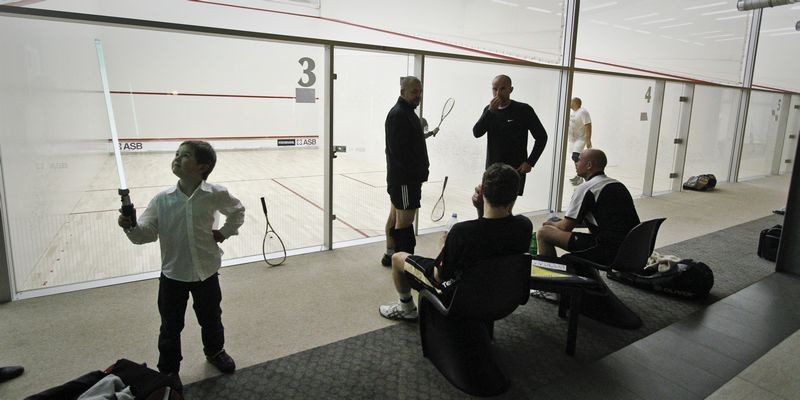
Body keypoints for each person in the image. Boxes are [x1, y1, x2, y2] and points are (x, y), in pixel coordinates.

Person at [118, 140, 245, 384]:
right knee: (170, 325)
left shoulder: (216, 194)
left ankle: (215, 352)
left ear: (202, 167)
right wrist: (131, 226)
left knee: (211, 318)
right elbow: (144, 235)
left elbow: (237, 211)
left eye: (185, 155)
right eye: (176, 153)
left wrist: (224, 232)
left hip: (207, 272)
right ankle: (168, 369)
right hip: (172, 276)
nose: (176, 158)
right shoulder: (161, 200)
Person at [379, 163, 532, 320]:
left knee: (397, 258)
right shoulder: (524, 226)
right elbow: (493, 235)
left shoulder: (462, 232)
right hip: (502, 299)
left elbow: (439, 277)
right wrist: (480, 209)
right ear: (515, 196)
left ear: (483, 192)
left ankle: (406, 308)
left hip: (461, 302)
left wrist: (444, 247)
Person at [536, 148, 639, 265]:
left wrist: (553, 223)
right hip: (632, 248)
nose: (575, 163)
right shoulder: (617, 185)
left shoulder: (586, 188)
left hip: (609, 250)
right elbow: (607, 220)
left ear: (589, 165)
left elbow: (565, 227)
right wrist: (566, 222)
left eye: (578, 160)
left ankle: (550, 272)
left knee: (544, 233)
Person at [381, 76, 439, 267]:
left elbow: (411, 143)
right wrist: (416, 175)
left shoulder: (406, 112)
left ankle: (389, 255)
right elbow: (401, 153)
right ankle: (403, 265)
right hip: (405, 181)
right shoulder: (399, 115)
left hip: (402, 180)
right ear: (402, 92)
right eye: (414, 91)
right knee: (405, 224)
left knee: (394, 217)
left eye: (420, 91)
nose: (418, 95)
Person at [472, 74, 548, 196]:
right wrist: (490, 112)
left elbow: (542, 137)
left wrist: (530, 162)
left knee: (508, 203)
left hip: (515, 169)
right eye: (495, 89)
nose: (498, 93)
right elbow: (477, 133)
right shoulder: (489, 110)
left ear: (510, 89)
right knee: (489, 202)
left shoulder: (524, 110)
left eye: (502, 89)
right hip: (492, 169)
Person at [567, 97, 592, 186]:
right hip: (573, 140)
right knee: (575, 157)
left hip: (580, 139)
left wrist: (588, 139)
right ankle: (579, 175)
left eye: (571, 101)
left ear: (576, 103)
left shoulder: (583, 112)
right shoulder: (573, 113)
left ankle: (582, 176)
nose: (569, 102)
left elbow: (588, 125)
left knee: (576, 157)